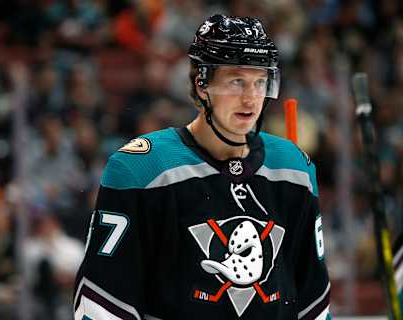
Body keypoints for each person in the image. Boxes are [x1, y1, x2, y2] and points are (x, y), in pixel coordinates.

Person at [73, 14, 330, 319]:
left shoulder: (294, 168)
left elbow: (313, 300)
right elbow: (102, 301)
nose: (250, 98)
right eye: (236, 81)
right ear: (202, 84)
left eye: (260, 82)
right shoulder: (142, 169)